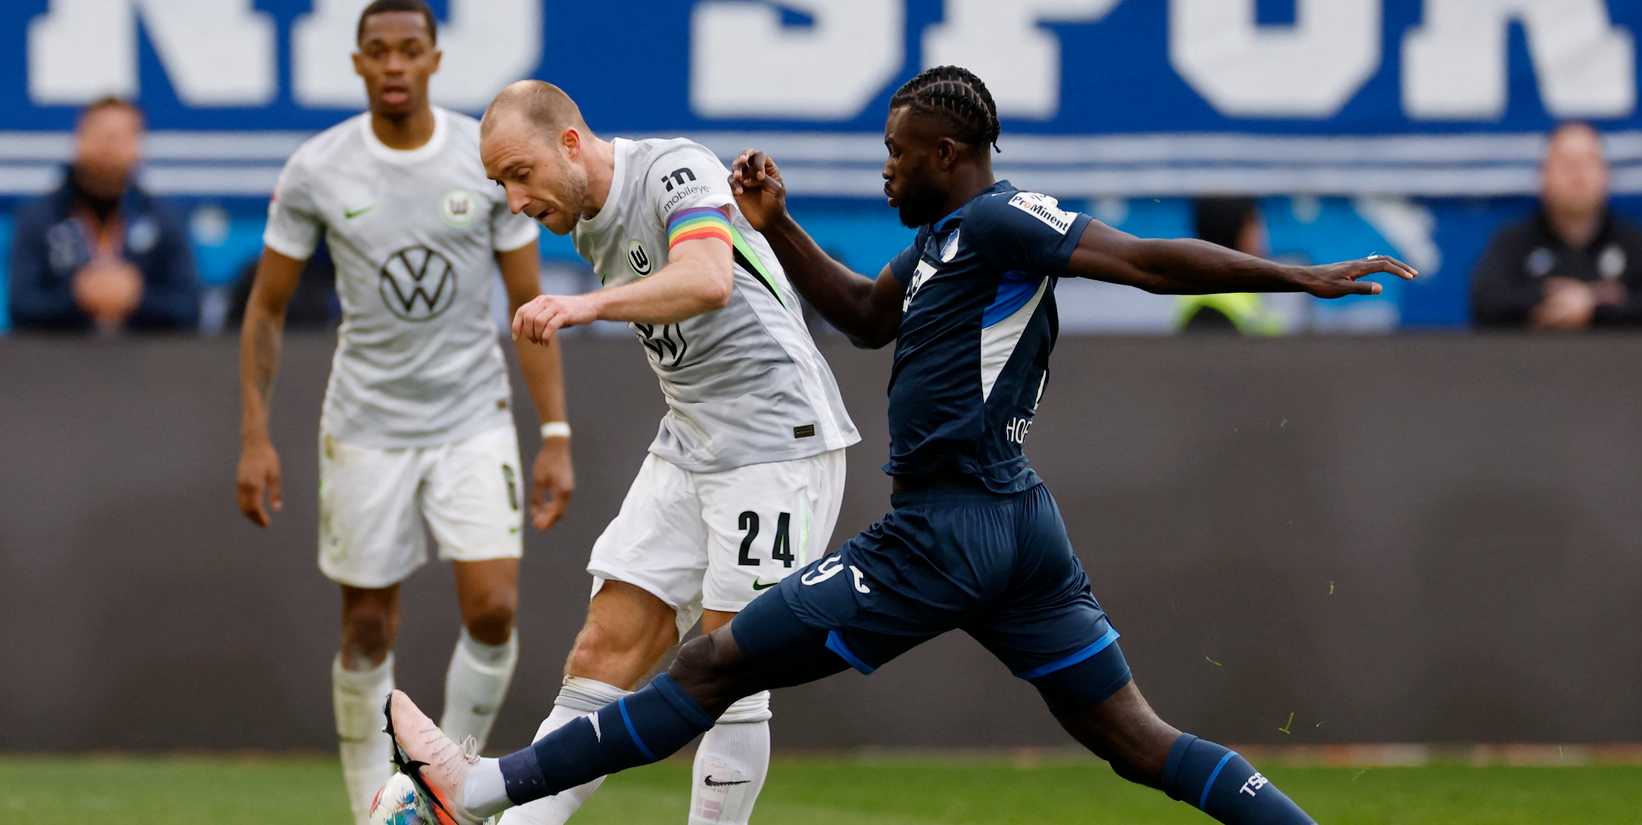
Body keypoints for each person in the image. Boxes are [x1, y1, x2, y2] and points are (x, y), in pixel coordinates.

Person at [383, 66, 1413, 825]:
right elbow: (865, 319)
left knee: (710, 666)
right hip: (1017, 530)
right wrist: (779, 229)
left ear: (949, 157)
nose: (884, 170)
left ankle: (478, 789)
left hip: (940, 532)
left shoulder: (1010, 222)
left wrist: (1297, 277)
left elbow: (1144, 261)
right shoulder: (936, 248)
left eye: (897, 153)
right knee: (1138, 743)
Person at [459, 78, 859, 825]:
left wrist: (585, 304)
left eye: (520, 173)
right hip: (690, 441)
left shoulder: (676, 169)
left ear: (570, 143)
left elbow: (708, 279)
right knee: (601, 651)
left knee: (733, 667)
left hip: (777, 441)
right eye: (499, 184)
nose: (515, 199)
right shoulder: (579, 219)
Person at [231, 3, 574, 823]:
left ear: (433, 59)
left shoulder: (480, 157)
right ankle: (372, 809)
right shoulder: (319, 167)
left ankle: (436, 786)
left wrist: (555, 432)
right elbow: (267, 309)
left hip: (471, 417)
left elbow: (529, 303)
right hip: (366, 425)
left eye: (409, 50)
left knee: (492, 609)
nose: (393, 64)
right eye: (378, 51)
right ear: (357, 63)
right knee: (368, 627)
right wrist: (254, 433)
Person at [8, 96, 199, 333]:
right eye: (99, 132)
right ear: (79, 139)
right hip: (57, 361)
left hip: (147, 361)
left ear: (139, 145)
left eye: (120, 135)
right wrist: (77, 296)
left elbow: (190, 307)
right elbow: (21, 306)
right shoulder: (39, 217)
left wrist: (137, 297)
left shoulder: (165, 218)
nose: (109, 144)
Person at [1472, 122, 1642, 329]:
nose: (1577, 176)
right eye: (1566, 164)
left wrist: (1594, 307)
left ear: (1606, 174)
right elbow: (1486, 302)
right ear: (1543, 175)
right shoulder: (1514, 242)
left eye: (1587, 163)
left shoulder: (1635, 243)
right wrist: (1548, 296)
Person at [1177, 197, 1280, 335]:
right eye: (1255, 225)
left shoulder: (1241, 290)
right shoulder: (1209, 310)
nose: (1263, 234)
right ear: (1236, 232)